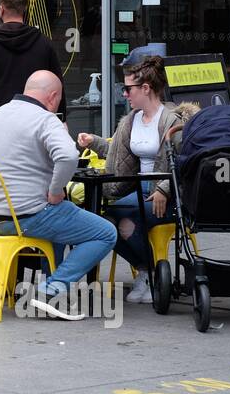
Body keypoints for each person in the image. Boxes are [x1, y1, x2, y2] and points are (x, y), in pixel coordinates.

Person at [0, 70, 116, 316]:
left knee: (60, 222)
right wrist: (54, 191)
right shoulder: (44, 119)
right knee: (105, 232)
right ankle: (51, 288)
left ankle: (52, 298)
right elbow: (68, 155)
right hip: (27, 216)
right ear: (53, 96)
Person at [77, 55, 194, 304]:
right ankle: (147, 271)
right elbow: (119, 155)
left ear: (145, 88)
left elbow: (185, 161)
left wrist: (164, 189)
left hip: (170, 195)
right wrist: (95, 142)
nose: (125, 94)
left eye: (128, 88)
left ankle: (149, 275)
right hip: (140, 191)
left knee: (128, 221)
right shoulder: (131, 121)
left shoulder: (172, 120)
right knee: (104, 222)